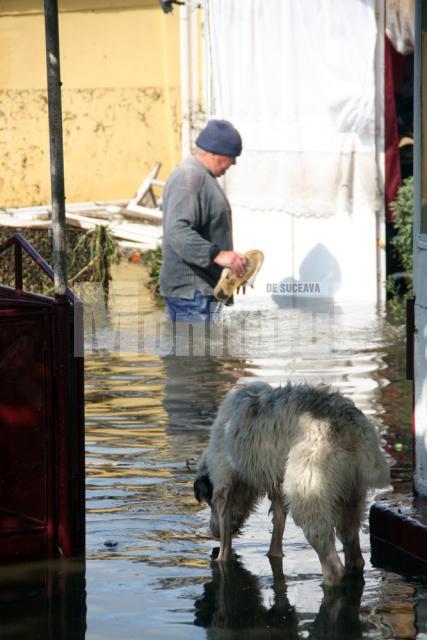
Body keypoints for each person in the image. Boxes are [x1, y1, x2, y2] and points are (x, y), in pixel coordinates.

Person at [159, 119, 247, 322]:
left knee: (201, 352)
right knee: (195, 353)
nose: (233, 163)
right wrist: (217, 255)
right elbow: (177, 231)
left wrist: (231, 273)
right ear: (213, 152)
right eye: (231, 156)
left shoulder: (201, 177)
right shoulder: (189, 178)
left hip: (200, 292)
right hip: (191, 294)